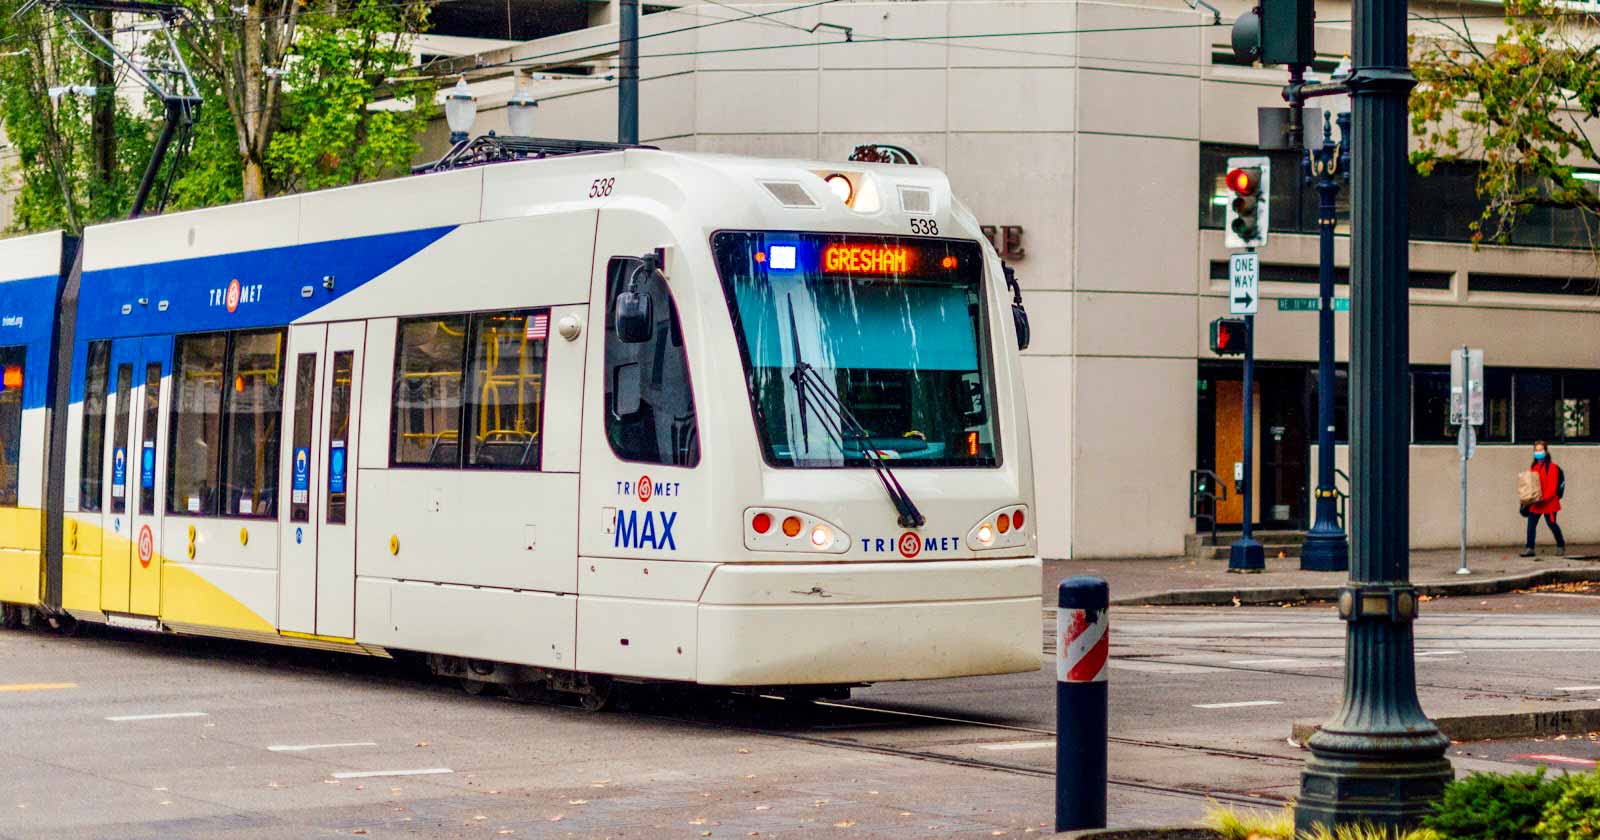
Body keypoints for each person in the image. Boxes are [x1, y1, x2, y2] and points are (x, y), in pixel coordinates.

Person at [1521, 440, 1566, 557]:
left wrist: (1541, 499)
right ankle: (1529, 548)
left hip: (1549, 503)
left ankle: (1561, 545)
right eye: (1536, 450)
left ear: (1546, 451)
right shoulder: (1534, 467)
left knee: (1552, 524)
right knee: (1531, 525)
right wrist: (1527, 498)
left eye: (1540, 450)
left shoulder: (1552, 468)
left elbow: (1552, 488)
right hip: (1536, 503)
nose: (1538, 452)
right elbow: (1531, 485)